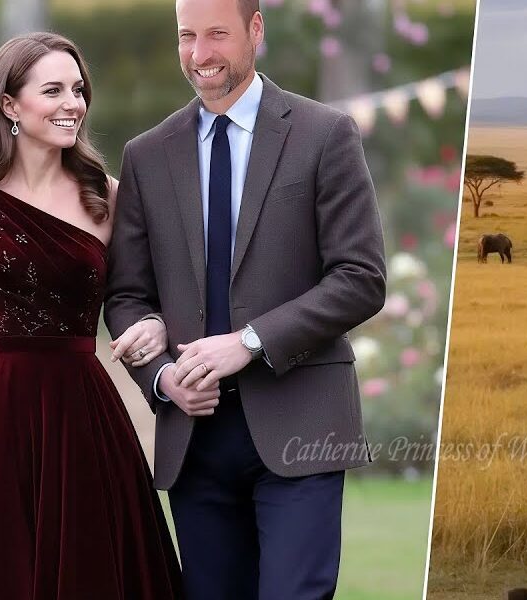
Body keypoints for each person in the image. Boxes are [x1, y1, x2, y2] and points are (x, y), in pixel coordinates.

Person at [102, 0, 386, 596]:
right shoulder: (147, 155)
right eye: (187, 37)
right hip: (194, 438)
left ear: (256, 30)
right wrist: (160, 379)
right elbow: (126, 295)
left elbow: (360, 277)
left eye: (216, 35)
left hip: (301, 422)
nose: (200, 55)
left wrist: (249, 342)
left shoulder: (325, 134)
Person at [0, 32, 182, 599]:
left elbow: (148, 298)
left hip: (84, 420)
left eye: (78, 90)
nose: (72, 103)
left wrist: (158, 324)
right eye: (53, 90)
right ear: (9, 104)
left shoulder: (109, 196)